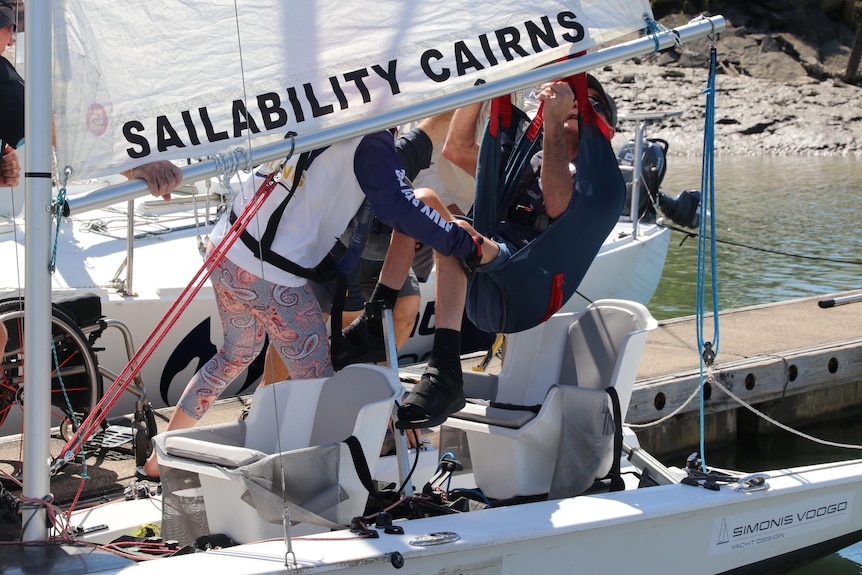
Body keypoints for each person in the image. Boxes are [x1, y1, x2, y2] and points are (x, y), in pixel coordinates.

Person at [142, 128, 500, 478]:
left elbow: (425, 135)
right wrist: (463, 243)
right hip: (272, 276)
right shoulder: (370, 134)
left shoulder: (324, 108)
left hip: (226, 248)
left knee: (234, 355)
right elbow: (397, 204)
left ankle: (162, 459)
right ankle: (315, 480)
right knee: (316, 384)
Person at [340, 75, 617, 430]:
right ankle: (377, 317)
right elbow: (456, 147)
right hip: (494, 257)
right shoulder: (527, 161)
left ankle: (445, 370)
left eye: (590, 104)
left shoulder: (598, 182)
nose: (577, 105)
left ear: (605, 124)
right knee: (421, 201)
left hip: (528, 278)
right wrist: (484, 83)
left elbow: (558, 203)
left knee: (454, 235)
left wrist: (551, 122)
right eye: (575, 99)